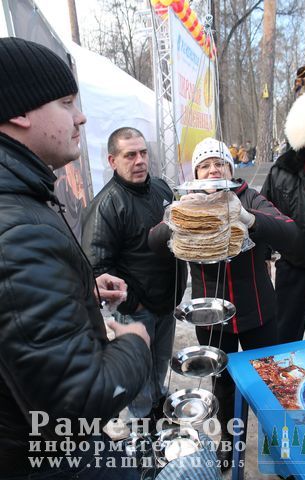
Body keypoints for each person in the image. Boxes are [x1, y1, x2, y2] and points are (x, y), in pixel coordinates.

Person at [0, 37, 151, 479]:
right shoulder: (18, 227)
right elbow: (78, 399)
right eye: (66, 102)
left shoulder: (22, 198)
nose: (80, 116)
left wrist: (79, 289)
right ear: (19, 112)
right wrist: (134, 344)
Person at [148, 137, 300, 471]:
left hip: (258, 311)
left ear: (230, 169)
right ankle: (230, 446)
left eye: (220, 163)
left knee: (274, 382)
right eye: (205, 165)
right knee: (225, 386)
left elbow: (290, 232)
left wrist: (249, 218)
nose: (213, 169)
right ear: (196, 174)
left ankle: (287, 451)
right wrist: (175, 219)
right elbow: (154, 239)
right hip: (212, 318)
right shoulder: (186, 203)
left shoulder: (248, 196)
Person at [82, 127, 187, 424]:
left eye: (143, 153)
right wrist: (133, 305)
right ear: (113, 160)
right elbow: (97, 267)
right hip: (136, 311)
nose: (139, 160)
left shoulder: (162, 190)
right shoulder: (107, 205)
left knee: (161, 362)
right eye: (130, 155)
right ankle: (143, 421)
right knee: (138, 371)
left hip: (168, 303)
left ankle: (158, 402)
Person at [261, 89, 305, 344]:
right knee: (284, 337)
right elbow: (262, 214)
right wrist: (263, 257)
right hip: (292, 267)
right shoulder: (282, 171)